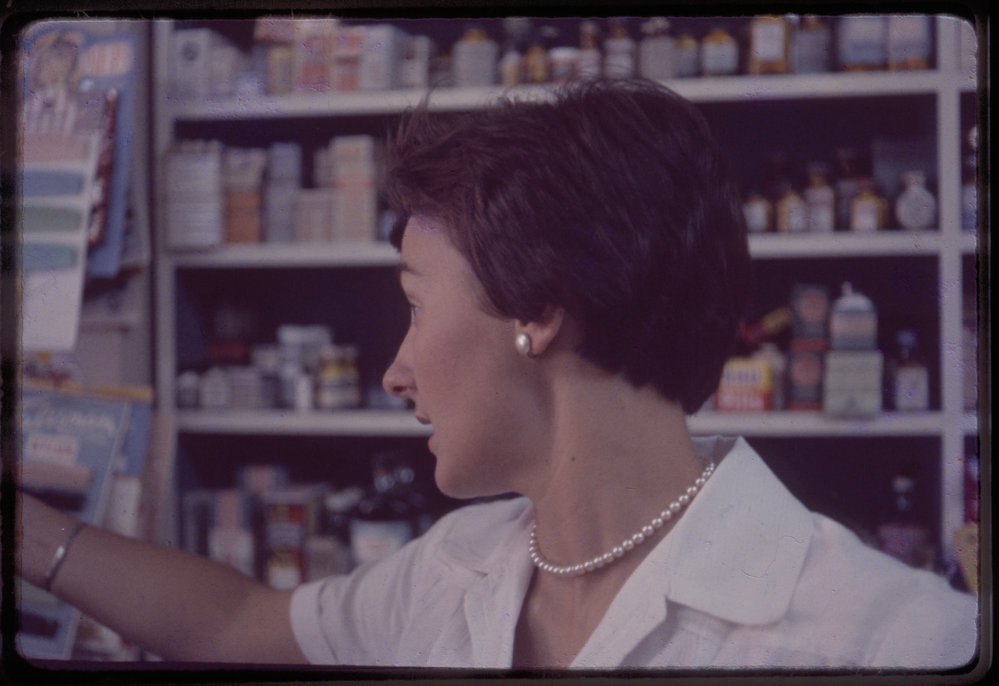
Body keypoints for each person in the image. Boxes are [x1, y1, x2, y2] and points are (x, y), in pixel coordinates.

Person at [16, 78, 978, 671]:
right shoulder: (457, 567)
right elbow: (232, 623)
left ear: (537, 309)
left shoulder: (899, 640)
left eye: (413, 303)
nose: (394, 372)